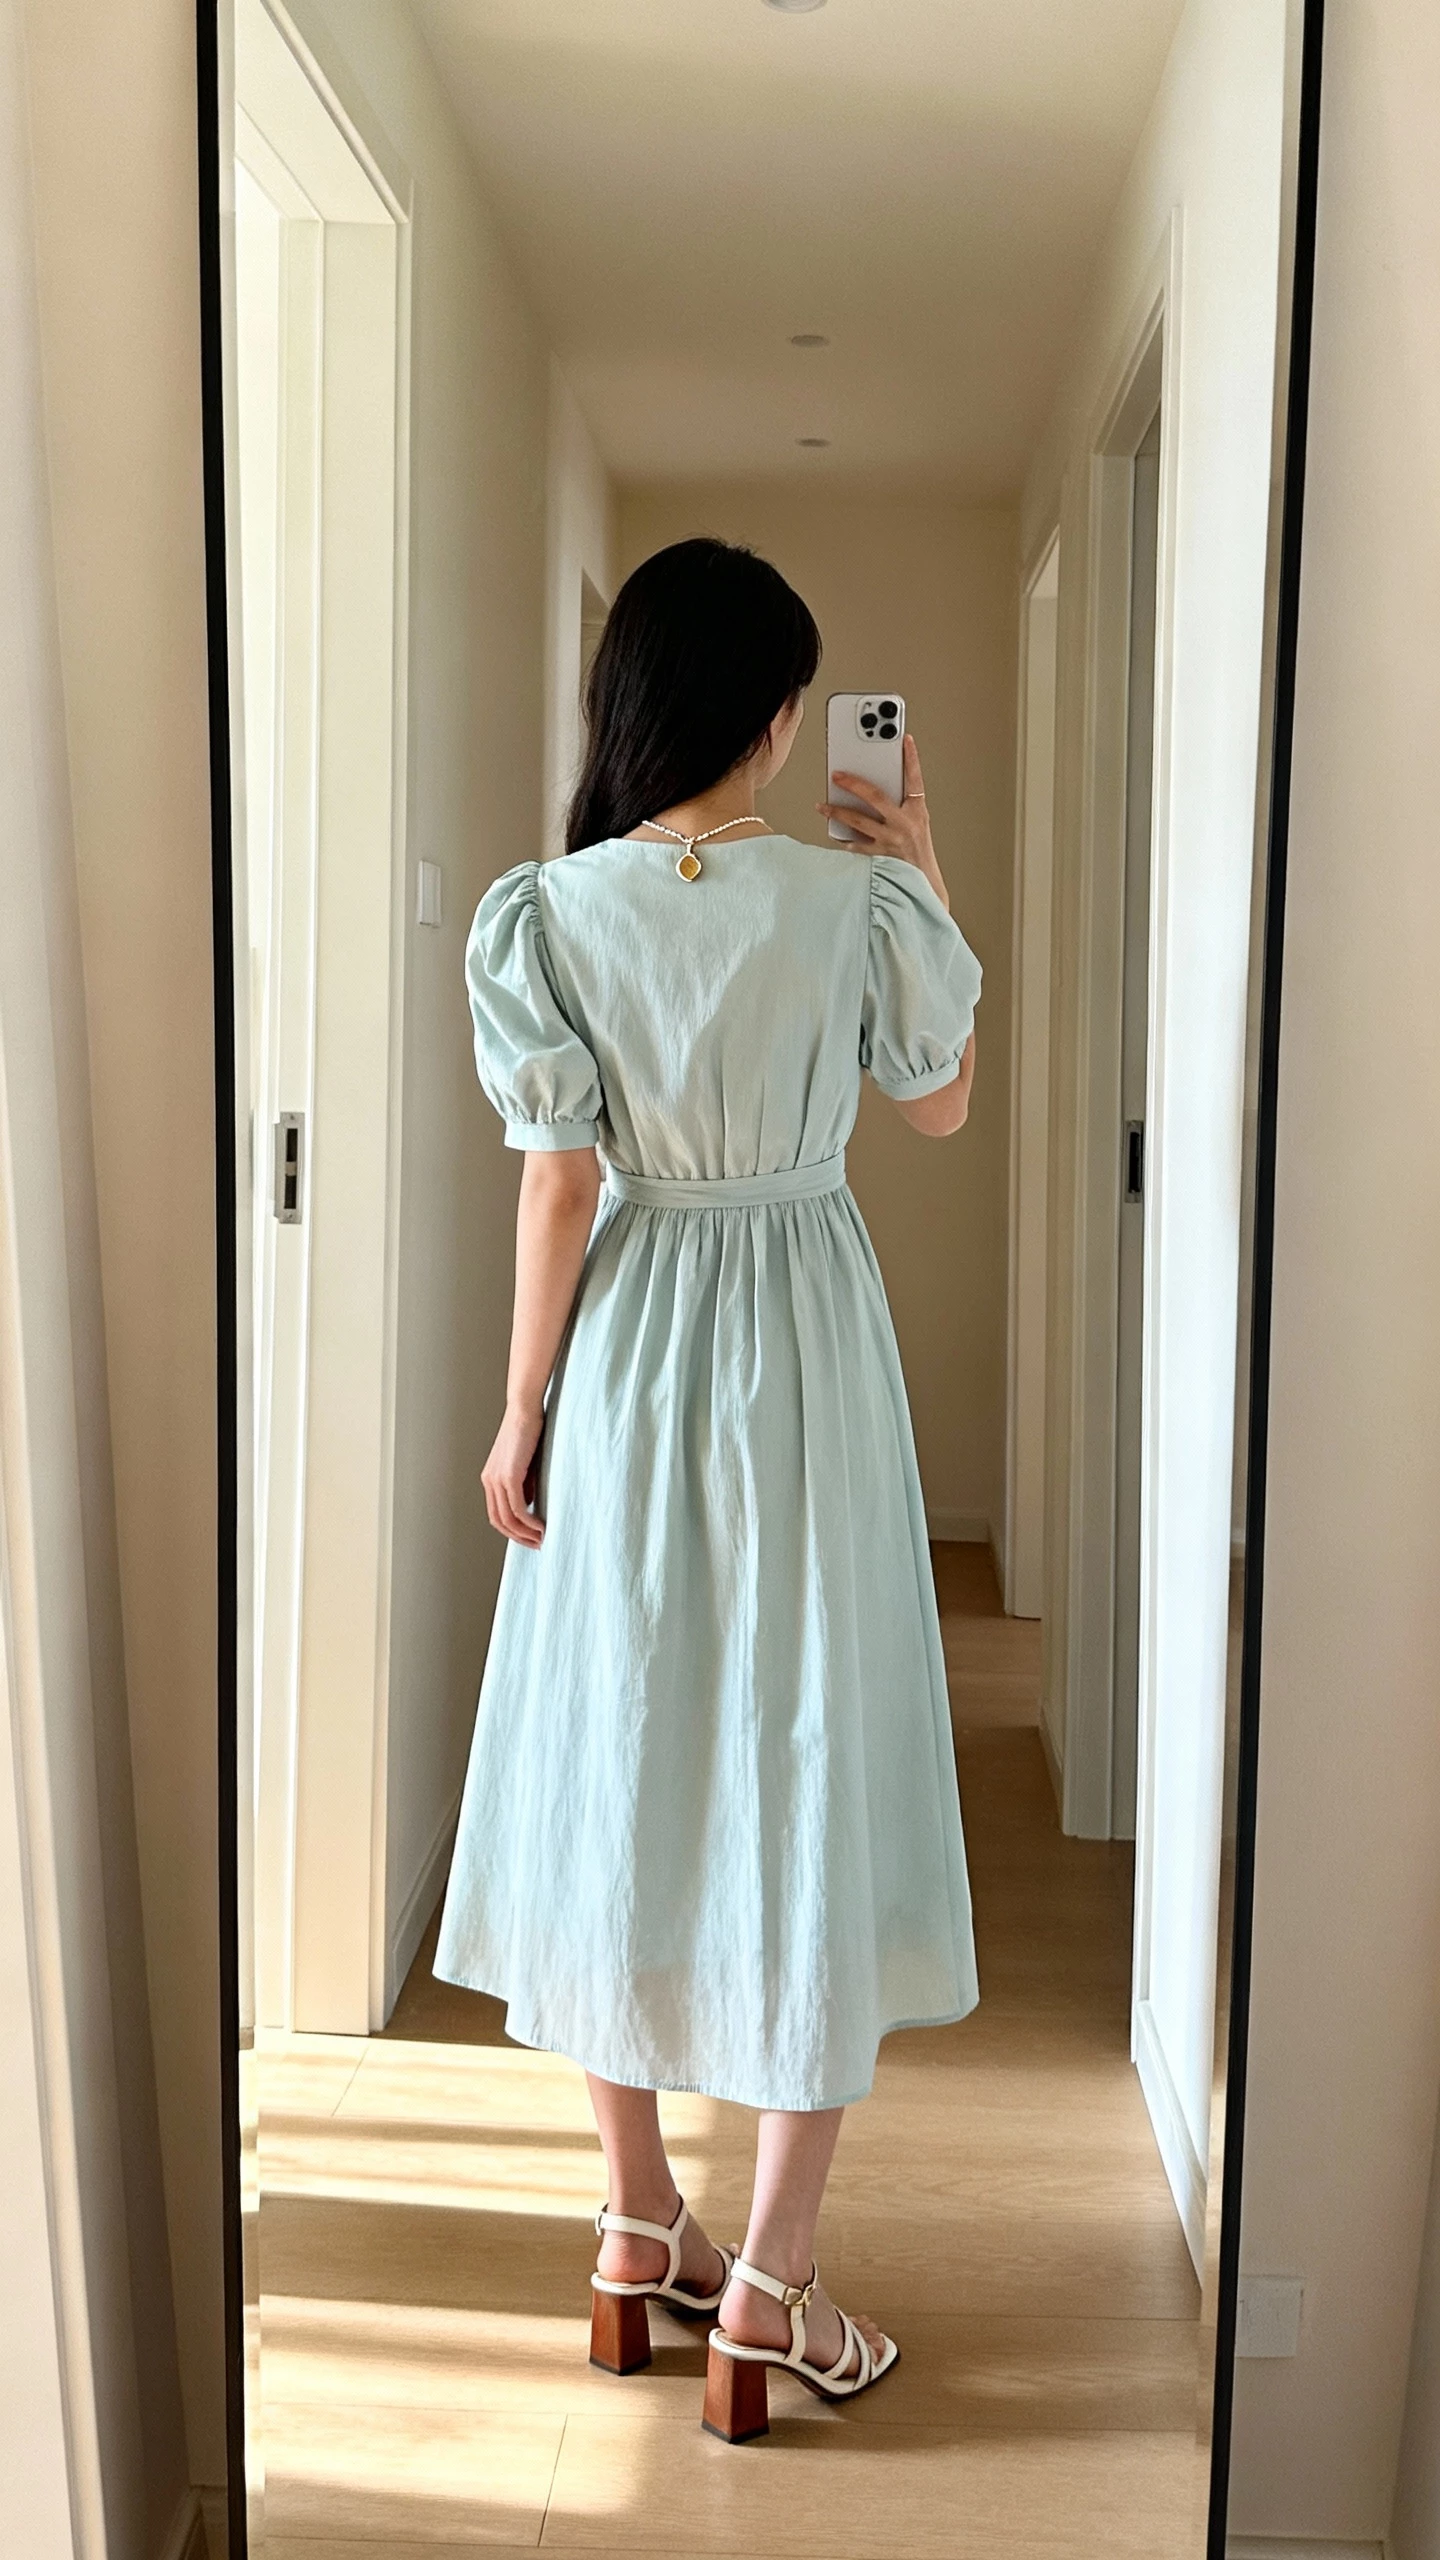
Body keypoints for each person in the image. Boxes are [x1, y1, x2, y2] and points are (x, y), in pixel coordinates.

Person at [435, 536, 981, 2441]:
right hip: (804, 1346)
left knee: (621, 1741)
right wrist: (917, 858)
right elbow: (938, 1104)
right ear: (778, 717)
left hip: (631, 1346)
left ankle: (634, 2222)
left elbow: (559, 1183)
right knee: (804, 1754)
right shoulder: (851, 902)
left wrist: (521, 1415)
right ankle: (772, 2280)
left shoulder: (550, 912)